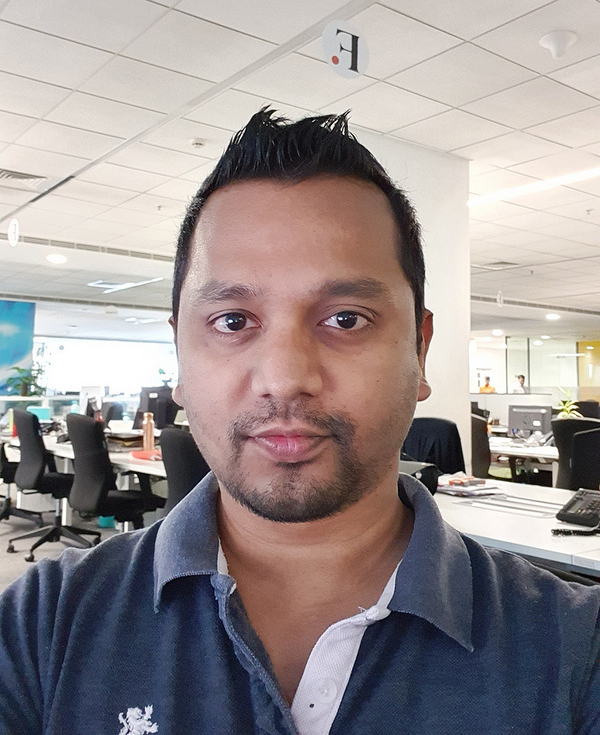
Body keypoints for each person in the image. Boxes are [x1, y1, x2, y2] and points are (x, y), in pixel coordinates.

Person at [0, 110, 599, 735]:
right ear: (179, 356)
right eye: (233, 321)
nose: (285, 377)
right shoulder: (41, 625)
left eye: (346, 319)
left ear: (419, 352)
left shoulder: (575, 648)